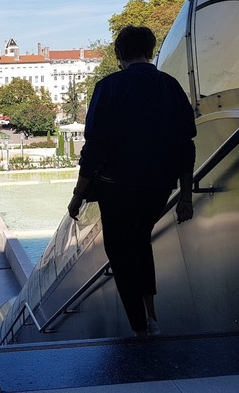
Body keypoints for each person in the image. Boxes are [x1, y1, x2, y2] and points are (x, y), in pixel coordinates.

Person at [67, 25, 196, 338]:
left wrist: (78, 195)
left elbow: (94, 147)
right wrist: (186, 196)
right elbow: (186, 144)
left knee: (122, 256)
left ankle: (141, 328)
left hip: (118, 188)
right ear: (150, 50)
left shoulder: (109, 87)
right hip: (159, 187)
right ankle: (151, 316)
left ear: (119, 54)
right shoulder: (171, 85)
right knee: (140, 243)